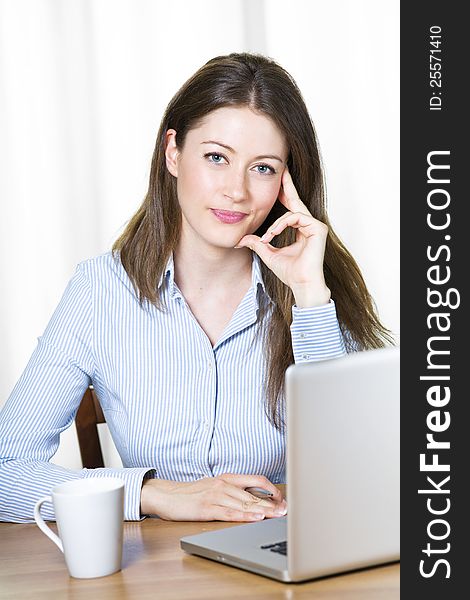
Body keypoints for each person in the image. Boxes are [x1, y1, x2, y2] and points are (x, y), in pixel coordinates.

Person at [0, 52, 392, 524]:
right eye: (216, 158)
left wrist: (310, 296)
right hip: (158, 572)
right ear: (173, 153)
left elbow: (362, 478)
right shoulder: (99, 292)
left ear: (287, 182)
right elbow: (6, 472)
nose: (237, 191)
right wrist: (153, 493)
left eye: (263, 167)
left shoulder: (316, 291)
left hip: (289, 556)